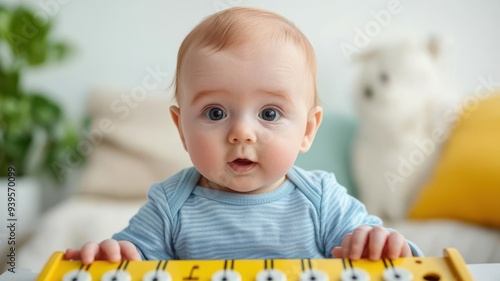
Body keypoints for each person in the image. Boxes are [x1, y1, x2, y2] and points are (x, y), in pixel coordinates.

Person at [65, 6, 423, 265]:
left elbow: (399, 259)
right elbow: (130, 260)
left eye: (269, 113)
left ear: (307, 130)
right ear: (181, 130)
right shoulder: (169, 208)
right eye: (215, 113)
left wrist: (382, 245)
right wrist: (116, 256)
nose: (240, 133)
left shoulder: (323, 202)